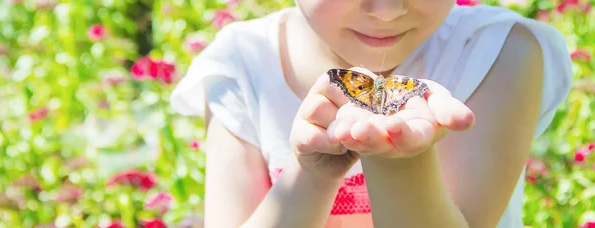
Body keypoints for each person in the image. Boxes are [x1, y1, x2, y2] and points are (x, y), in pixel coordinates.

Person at [170, 0, 573, 227]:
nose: (386, 10)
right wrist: (313, 171)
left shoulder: (498, 53)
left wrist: (401, 161)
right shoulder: (242, 65)